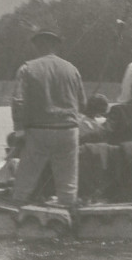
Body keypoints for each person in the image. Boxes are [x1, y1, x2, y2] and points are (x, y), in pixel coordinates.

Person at [10, 29, 87, 208]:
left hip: (39, 130)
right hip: (68, 129)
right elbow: (82, 103)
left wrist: (19, 131)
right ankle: (68, 218)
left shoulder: (27, 68)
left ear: (38, 45)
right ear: (56, 46)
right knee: (68, 183)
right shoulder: (72, 69)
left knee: (25, 181)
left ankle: (16, 215)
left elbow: (18, 101)